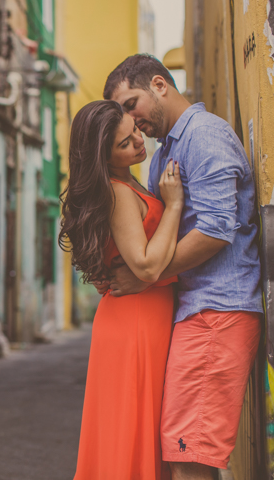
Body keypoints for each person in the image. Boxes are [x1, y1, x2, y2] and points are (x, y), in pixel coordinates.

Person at [101, 54, 262, 480]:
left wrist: (146, 275)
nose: (132, 120)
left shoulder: (204, 136)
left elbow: (214, 230)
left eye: (132, 104)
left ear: (159, 84)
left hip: (217, 312)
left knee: (189, 458)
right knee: (182, 453)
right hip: (197, 314)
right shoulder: (161, 156)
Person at [61, 99, 183, 479]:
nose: (137, 141)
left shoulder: (126, 183)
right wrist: (175, 205)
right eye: (125, 143)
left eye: (134, 129)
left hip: (133, 320)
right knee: (132, 433)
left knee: (128, 434)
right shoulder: (117, 193)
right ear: (104, 157)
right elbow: (145, 264)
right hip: (135, 326)